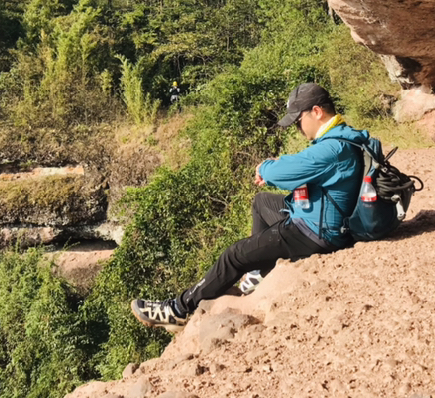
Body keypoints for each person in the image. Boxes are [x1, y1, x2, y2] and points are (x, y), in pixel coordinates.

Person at [131, 83, 380, 332]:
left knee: (234, 255)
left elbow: (285, 173)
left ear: (316, 112)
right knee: (262, 202)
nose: (297, 127)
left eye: (297, 120)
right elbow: (300, 168)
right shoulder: (343, 137)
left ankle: (179, 309)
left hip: (316, 232)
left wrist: (266, 168)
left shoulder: (332, 148)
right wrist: (279, 167)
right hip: (319, 214)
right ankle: (258, 272)